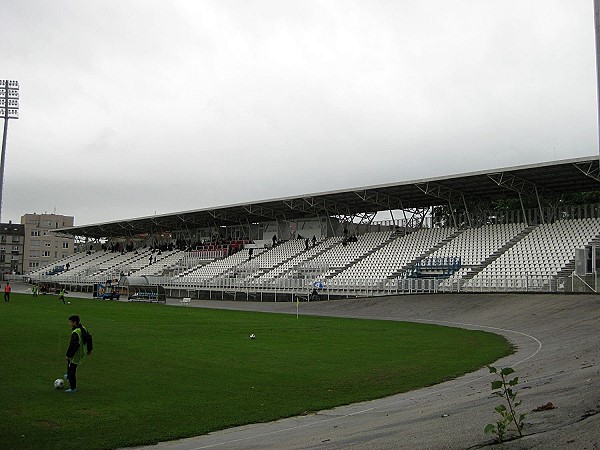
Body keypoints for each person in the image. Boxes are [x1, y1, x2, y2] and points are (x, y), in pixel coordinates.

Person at [64, 315, 93, 393]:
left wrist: (68, 355)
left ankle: (73, 388)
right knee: (70, 366)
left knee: (72, 368)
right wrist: (89, 349)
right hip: (81, 352)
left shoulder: (75, 332)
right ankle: (68, 376)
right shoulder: (83, 328)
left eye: (70, 322)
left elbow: (73, 345)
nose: (69, 324)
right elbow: (89, 338)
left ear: (75, 322)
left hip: (77, 353)